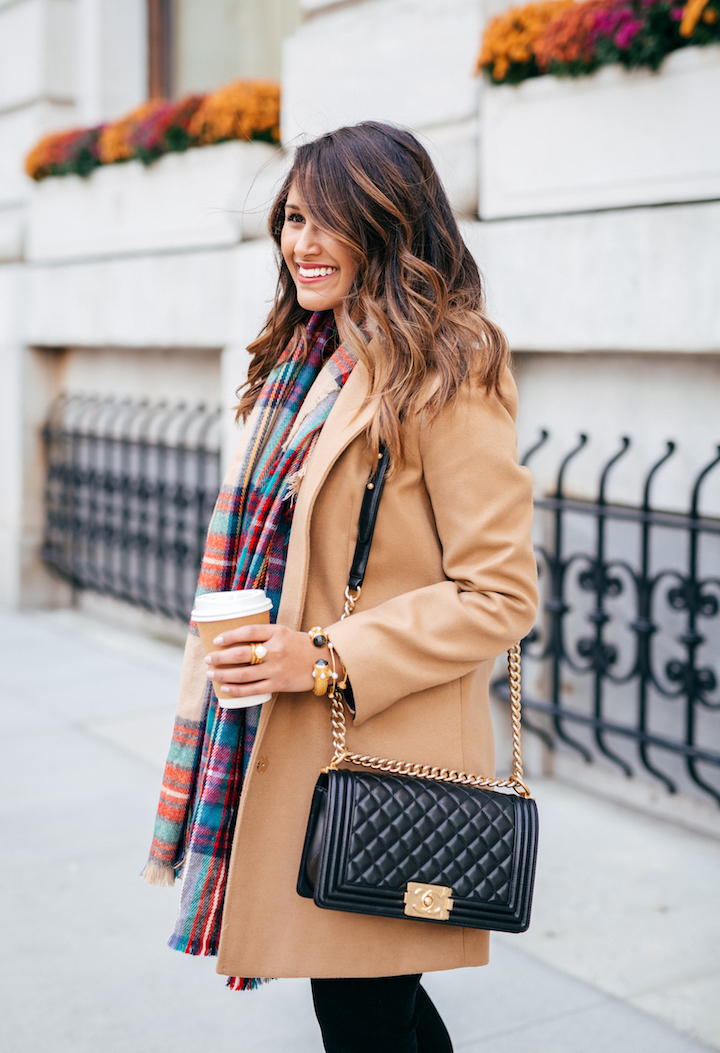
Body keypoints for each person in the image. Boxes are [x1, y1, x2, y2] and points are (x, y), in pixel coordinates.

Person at [144, 121, 538, 1053]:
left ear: (390, 224)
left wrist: (319, 655)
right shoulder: (307, 358)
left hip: (384, 757)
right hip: (299, 742)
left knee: (363, 1011)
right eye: (291, 219)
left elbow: (501, 591)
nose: (301, 243)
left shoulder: (449, 365)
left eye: (330, 221)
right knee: (373, 1007)